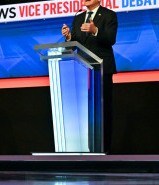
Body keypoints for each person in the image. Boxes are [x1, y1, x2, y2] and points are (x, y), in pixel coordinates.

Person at [61, 0, 118, 153]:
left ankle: (104, 151)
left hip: (101, 70)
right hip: (82, 71)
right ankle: (86, 150)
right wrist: (68, 38)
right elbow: (75, 45)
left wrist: (95, 30)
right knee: (85, 113)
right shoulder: (78, 17)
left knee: (103, 111)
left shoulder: (108, 15)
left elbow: (111, 39)